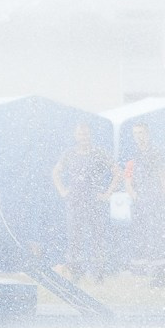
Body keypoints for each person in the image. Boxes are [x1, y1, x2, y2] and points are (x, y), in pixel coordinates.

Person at [51, 121, 117, 282]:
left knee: (97, 237)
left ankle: (98, 273)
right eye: (80, 134)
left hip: (95, 202)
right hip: (75, 202)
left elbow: (117, 172)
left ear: (90, 135)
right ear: (76, 136)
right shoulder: (69, 154)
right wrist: (62, 191)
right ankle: (75, 272)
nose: (84, 137)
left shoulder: (99, 153)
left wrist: (107, 193)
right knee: (75, 238)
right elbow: (56, 172)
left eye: (86, 134)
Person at [124, 122, 165, 285]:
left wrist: (164, 200)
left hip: (155, 201)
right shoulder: (133, 155)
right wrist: (134, 195)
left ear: (148, 134)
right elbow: (128, 179)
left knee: (155, 237)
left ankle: (158, 276)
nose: (139, 136)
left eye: (141, 133)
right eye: (136, 133)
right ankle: (142, 275)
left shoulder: (156, 153)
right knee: (140, 237)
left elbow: (164, 176)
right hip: (139, 203)